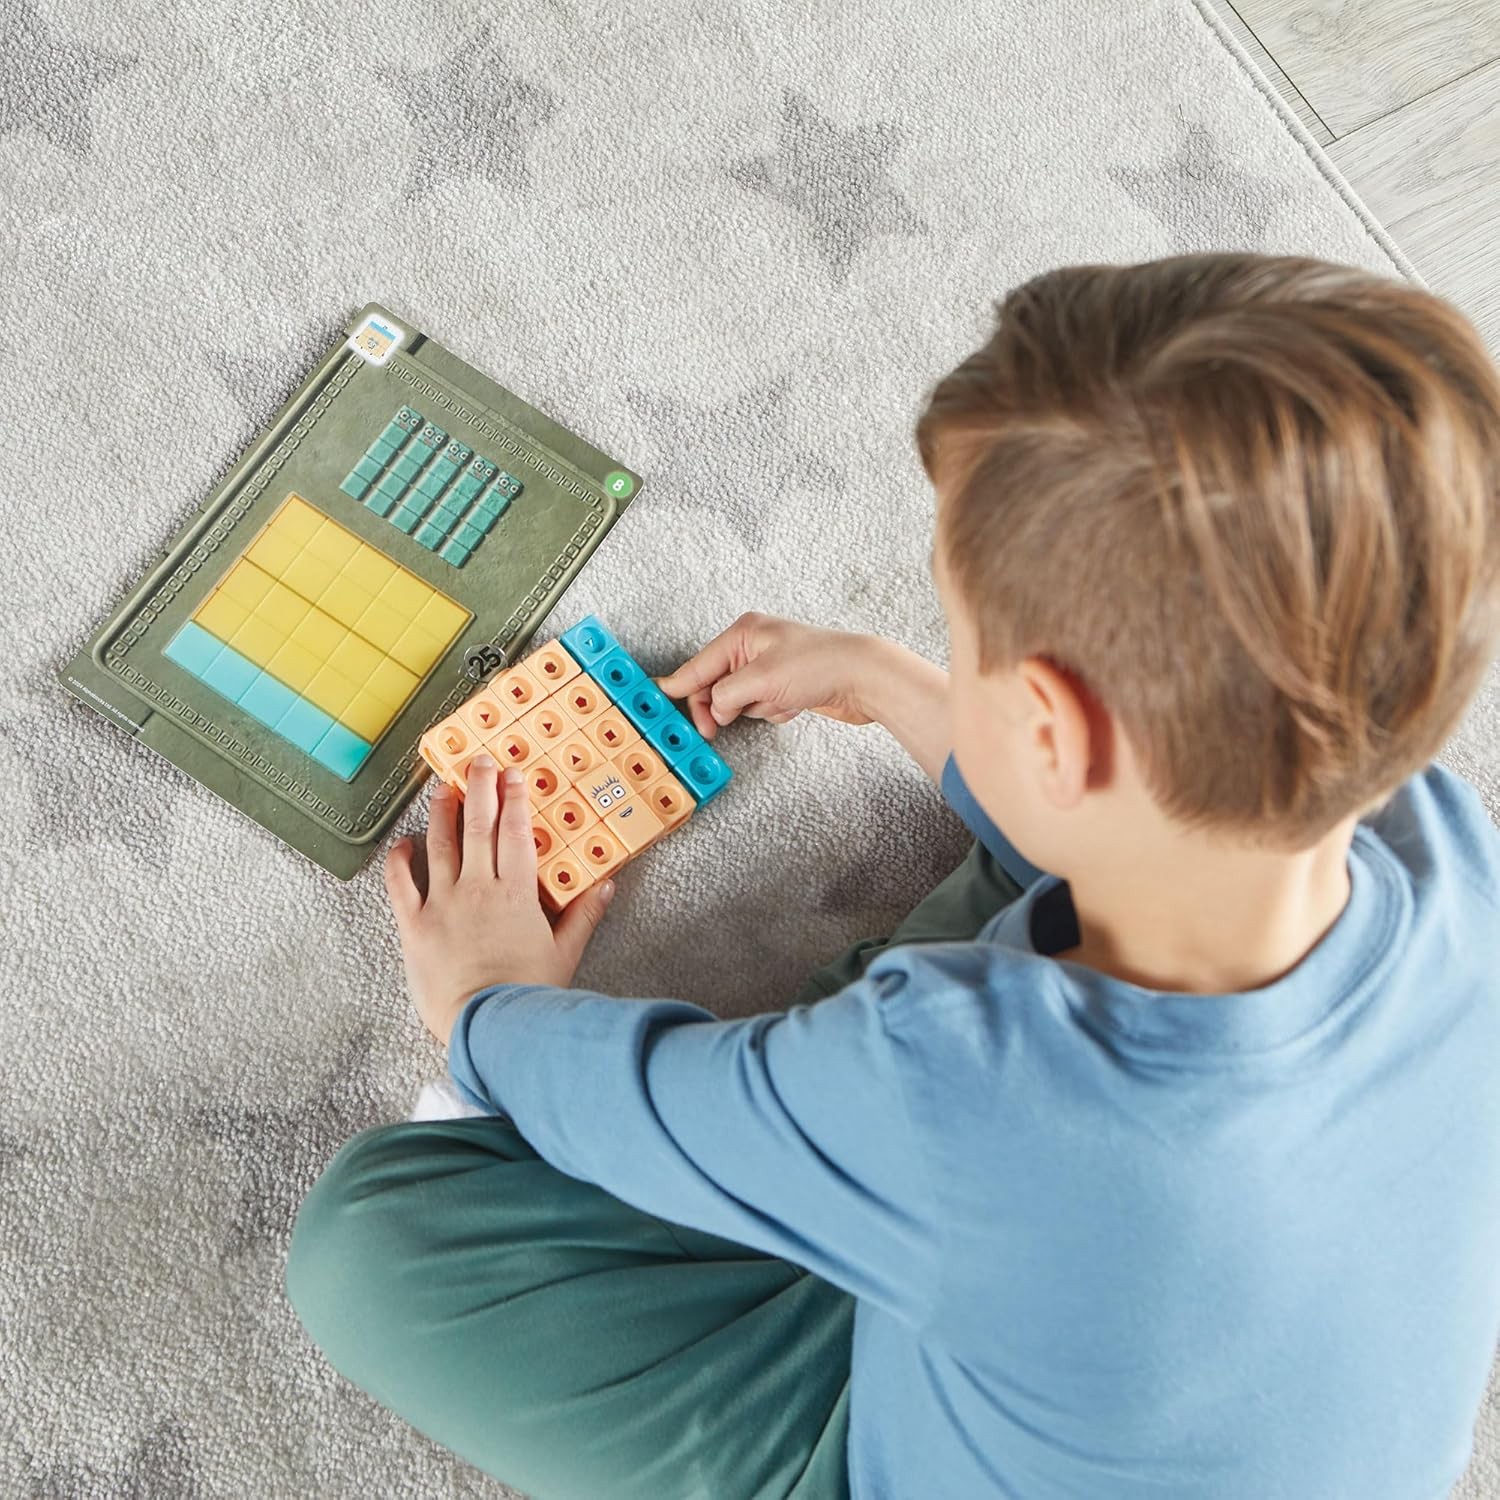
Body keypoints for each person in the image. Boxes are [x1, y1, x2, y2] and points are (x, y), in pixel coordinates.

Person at [285, 253, 1500, 1500]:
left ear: (1054, 731)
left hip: (947, 1333)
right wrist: (886, 680)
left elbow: (664, 1106)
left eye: (960, 641)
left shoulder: (951, 1070)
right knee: (1057, 892)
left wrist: (488, 1006)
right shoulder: (1446, 845)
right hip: (1157, 1318)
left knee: (368, 1247)